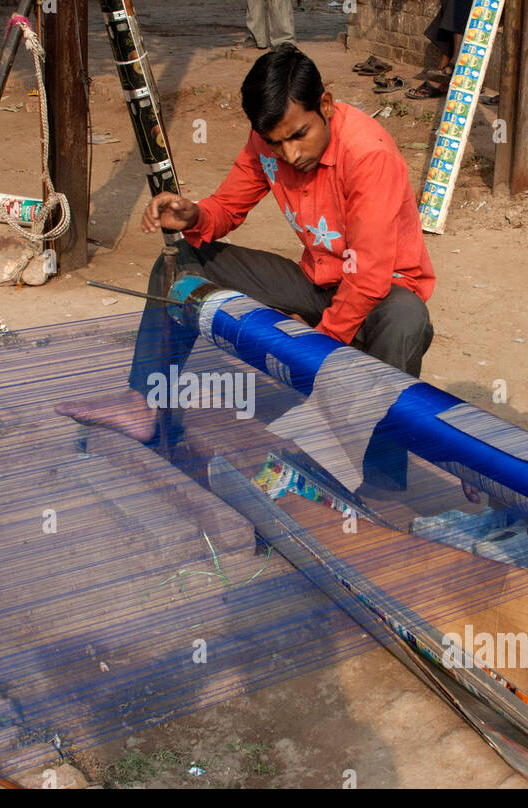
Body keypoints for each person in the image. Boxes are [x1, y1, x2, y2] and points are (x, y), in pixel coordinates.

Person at [57, 45, 437, 482]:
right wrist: (195, 215)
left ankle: (379, 474)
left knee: (406, 318)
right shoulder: (267, 141)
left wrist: (314, 347)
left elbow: (368, 279)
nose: (290, 154)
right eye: (277, 142)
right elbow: (228, 208)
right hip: (321, 282)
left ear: (327, 105)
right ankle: (142, 403)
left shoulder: (369, 154)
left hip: (384, 296)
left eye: (299, 135)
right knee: (180, 261)